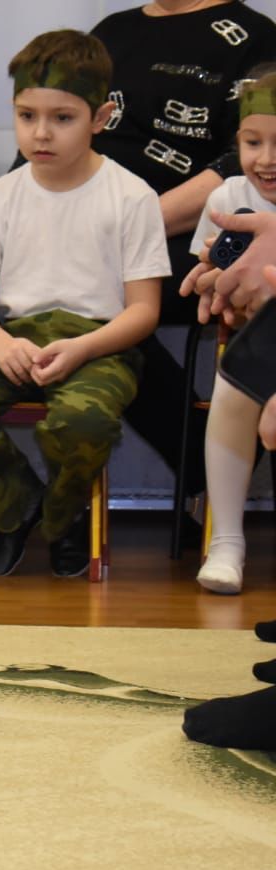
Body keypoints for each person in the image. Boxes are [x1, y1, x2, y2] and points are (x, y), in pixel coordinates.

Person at [0, 29, 170, 579]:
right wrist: (1, 345)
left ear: (100, 118)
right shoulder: (3, 197)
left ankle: (63, 519)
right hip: (15, 337)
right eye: (26, 116)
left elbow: (143, 310)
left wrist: (82, 349)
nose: (41, 132)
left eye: (62, 117)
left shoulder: (132, 197)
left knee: (82, 421)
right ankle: (18, 506)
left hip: (99, 343)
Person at [91, 0, 276, 532]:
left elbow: (238, 161)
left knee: (101, 294)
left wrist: (133, 225)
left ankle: (198, 457)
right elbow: (62, 120)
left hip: (184, 232)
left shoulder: (252, 34)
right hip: (91, 221)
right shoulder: (113, 30)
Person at [175, 73, 276, 594]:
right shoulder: (232, 194)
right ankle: (226, 541)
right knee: (233, 391)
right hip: (248, 342)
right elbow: (209, 266)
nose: (266, 159)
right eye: (252, 143)